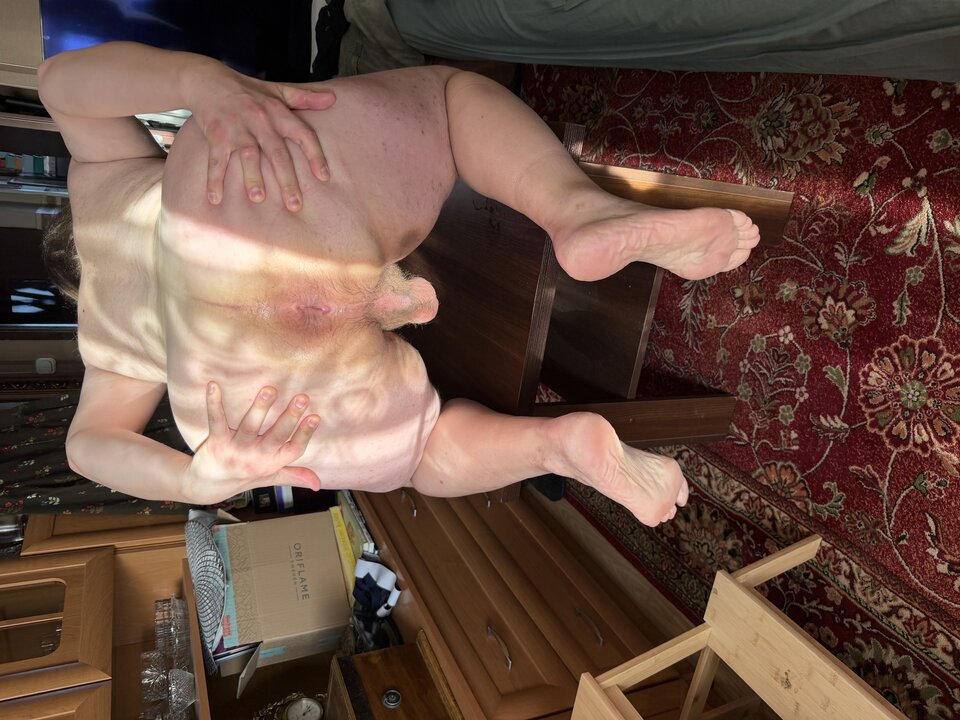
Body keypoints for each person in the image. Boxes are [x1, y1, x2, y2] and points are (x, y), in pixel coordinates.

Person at [38, 42, 759, 526]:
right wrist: (201, 84)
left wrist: (196, 482)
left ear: (77, 299)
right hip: (227, 204)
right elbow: (58, 85)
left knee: (424, 455)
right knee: (449, 104)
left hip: (238, 389)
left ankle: (554, 446)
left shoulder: (106, 354)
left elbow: (86, 449)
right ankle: (576, 214)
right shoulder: (99, 181)